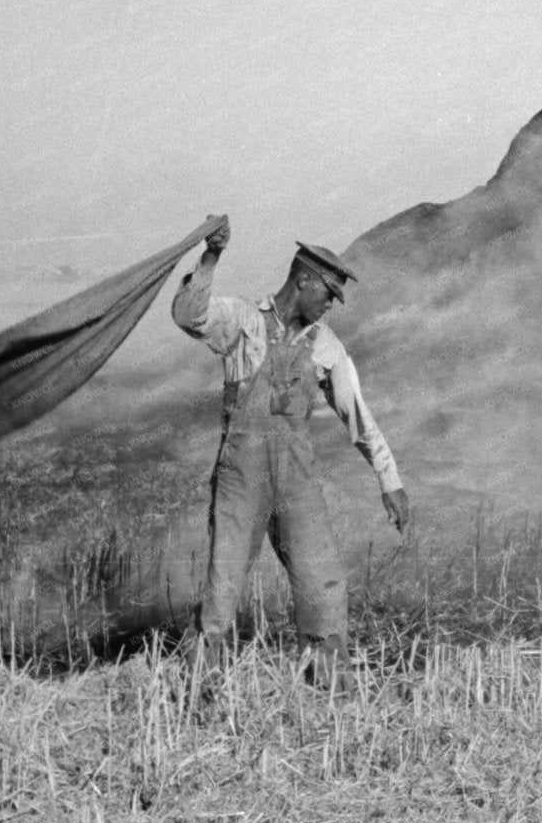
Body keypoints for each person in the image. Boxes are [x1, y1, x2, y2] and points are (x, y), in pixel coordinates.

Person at [171, 218, 410, 677]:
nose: (330, 308)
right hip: (243, 474)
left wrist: (390, 481)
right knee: (224, 584)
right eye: (327, 295)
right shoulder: (243, 320)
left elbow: (358, 417)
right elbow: (188, 315)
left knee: (324, 582)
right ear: (304, 282)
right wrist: (210, 257)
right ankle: (199, 686)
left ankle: (329, 685)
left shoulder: (328, 347)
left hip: (296, 479)